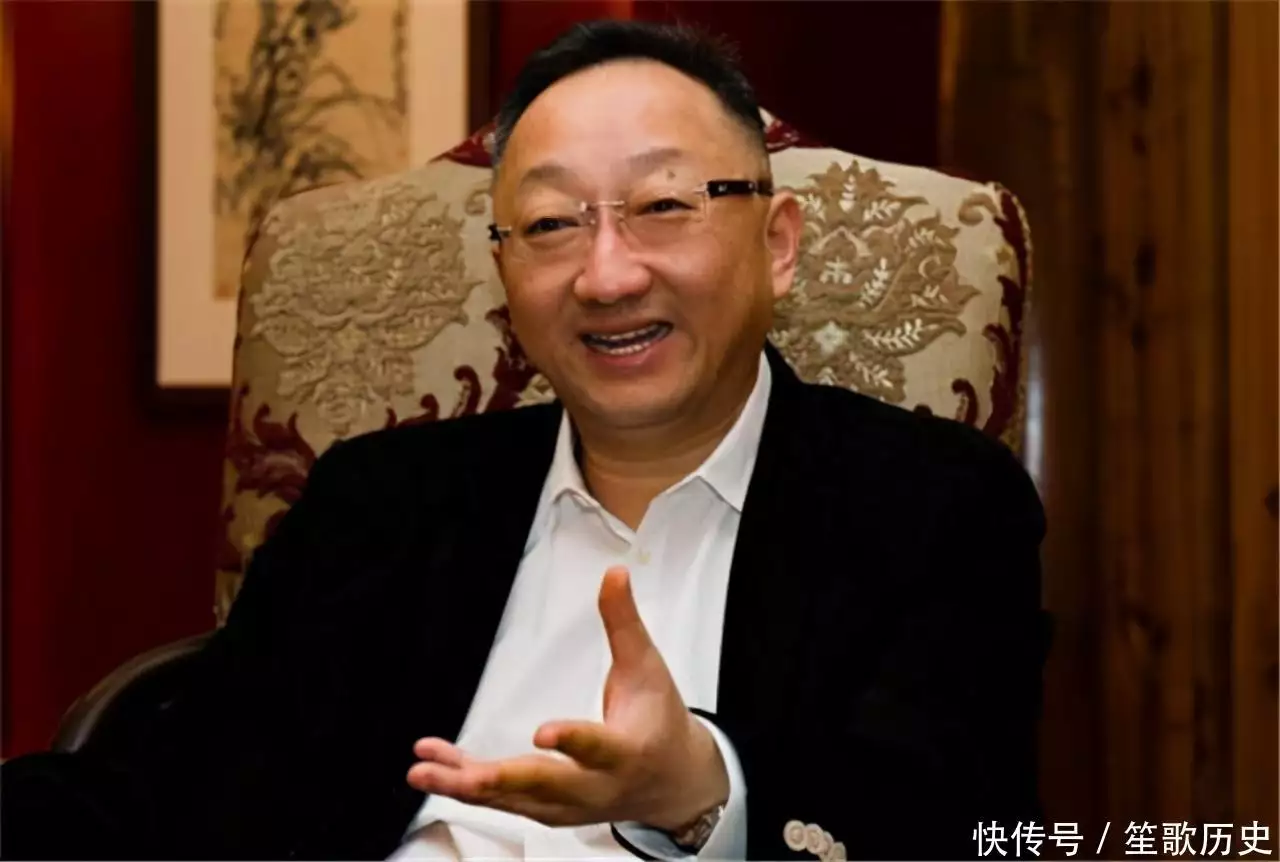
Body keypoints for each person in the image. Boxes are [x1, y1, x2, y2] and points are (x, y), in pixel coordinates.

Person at [0, 20, 1047, 862]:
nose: (606, 275)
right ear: (502, 270)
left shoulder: (932, 506)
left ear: (776, 245)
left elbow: (957, 821)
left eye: (663, 205)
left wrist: (702, 792)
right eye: (549, 225)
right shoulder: (382, 503)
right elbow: (172, 783)